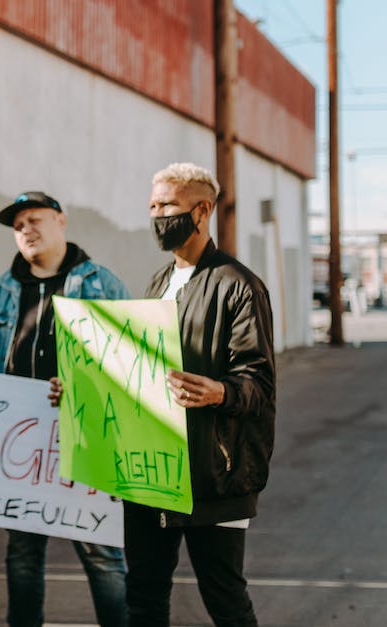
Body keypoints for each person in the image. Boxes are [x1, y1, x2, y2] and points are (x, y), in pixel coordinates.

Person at [126, 163, 275, 626]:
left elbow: (259, 384)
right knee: (144, 595)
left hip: (215, 477)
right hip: (153, 473)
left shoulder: (239, 285)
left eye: (168, 205)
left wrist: (220, 392)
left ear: (202, 210)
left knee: (225, 600)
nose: (158, 215)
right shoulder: (157, 282)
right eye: (153, 206)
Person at [0, 191, 130, 627]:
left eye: (35, 219)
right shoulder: (5, 288)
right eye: (18, 225)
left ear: (61, 221)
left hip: (88, 438)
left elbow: (129, 359)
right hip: (21, 444)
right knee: (23, 553)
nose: (26, 230)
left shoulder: (101, 284)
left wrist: (84, 388)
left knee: (102, 552)